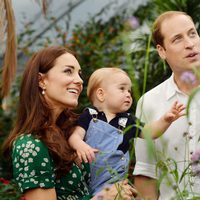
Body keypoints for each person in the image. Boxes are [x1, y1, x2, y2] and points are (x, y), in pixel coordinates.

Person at [2, 46, 136, 200]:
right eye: (68, 71)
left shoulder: (72, 132)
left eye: (79, 74)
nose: (79, 80)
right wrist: (103, 197)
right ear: (41, 81)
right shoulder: (30, 145)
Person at [68, 67, 185, 195]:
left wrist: (165, 120)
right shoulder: (90, 115)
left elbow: (150, 133)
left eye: (129, 90)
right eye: (122, 89)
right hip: (85, 181)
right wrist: (80, 145)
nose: (128, 94)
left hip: (114, 184)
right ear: (101, 94)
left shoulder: (128, 121)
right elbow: (74, 137)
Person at [133, 11, 200, 200]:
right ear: (162, 51)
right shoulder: (149, 102)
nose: (190, 43)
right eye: (177, 39)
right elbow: (146, 173)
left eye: (192, 33)